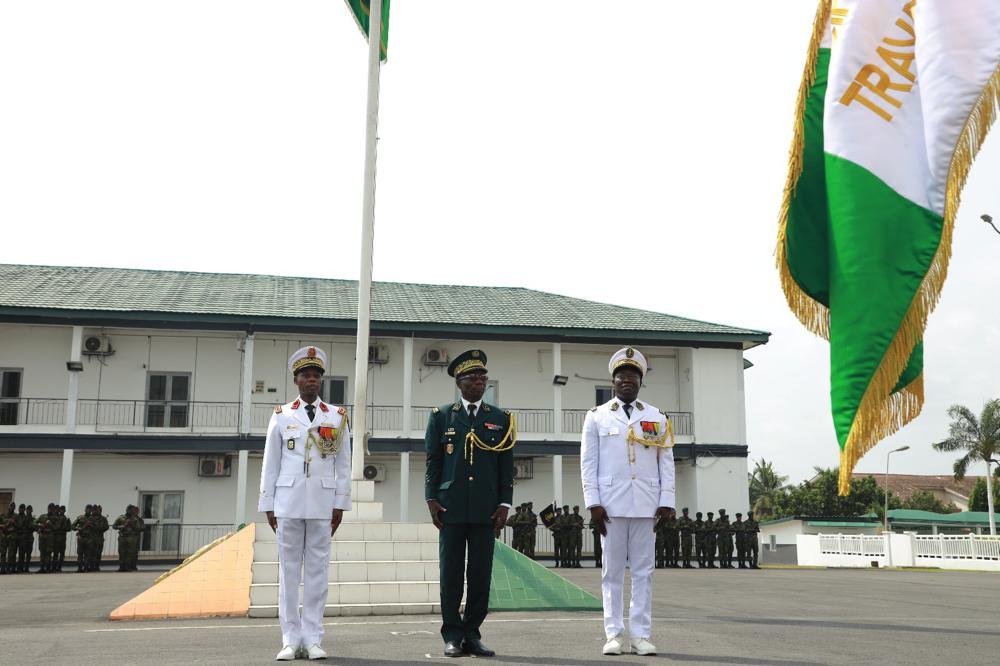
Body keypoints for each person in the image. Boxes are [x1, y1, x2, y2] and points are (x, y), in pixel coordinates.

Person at [258, 346, 352, 661]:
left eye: (316, 376)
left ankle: (312, 638)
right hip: (288, 501)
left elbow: (343, 463)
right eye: (305, 376)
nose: (311, 380)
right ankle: (289, 639)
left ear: (321, 381)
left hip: (323, 503)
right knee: (287, 573)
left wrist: (340, 503)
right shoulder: (281, 415)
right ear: (296, 380)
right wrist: (268, 503)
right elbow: (270, 463)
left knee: (317, 573)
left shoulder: (336, 416)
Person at [581, 347, 675, 656]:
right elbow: (588, 463)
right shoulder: (596, 417)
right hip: (610, 506)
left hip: (647, 505)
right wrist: (593, 502)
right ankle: (614, 635)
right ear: (613, 380)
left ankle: (640, 635)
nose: (627, 380)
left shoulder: (656, 417)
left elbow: (666, 462)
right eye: (621, 375)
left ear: (640, 381)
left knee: (644, 572)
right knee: (611, 572)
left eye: (632, 376)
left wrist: (667, 501)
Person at [425, 349, 515, 658]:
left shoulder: (500, 419)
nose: (478, 382)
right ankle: (452, 634)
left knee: (480, 574)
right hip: (450, 506)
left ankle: (472, 634)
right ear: (459, 383)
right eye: (471, 378)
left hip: (486, 508)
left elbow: (506, 466)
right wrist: (431, 499)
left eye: (482, 377)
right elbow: (433, 462)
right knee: (450, 573)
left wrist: (505, 504)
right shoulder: (441, 416)